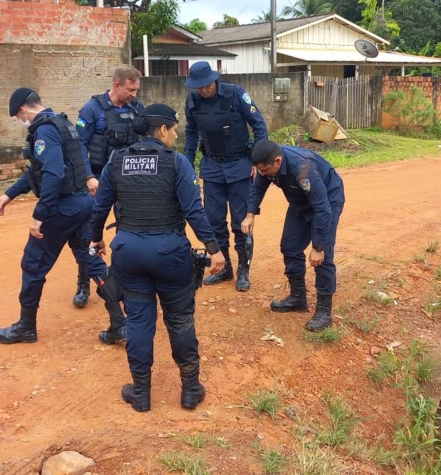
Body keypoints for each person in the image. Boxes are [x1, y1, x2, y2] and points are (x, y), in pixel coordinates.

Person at [90, 103, 225, 412]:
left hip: (128, 251)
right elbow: (193, 210)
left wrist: (97, 238)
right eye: (175, 130)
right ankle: (190, 390)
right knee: (179, 319)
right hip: (169, 253)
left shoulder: (116, 160)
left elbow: (100, 206)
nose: (176, 136)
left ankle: (140, 393)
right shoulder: (176, 163)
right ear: (162, 130)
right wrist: (213, 247)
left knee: (138, 321)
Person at [0, 87, 125, 345]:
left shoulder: (44, 131)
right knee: (91, 261)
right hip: (82, 205)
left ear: (22, 110)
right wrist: (10, 194)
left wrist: (39, 215)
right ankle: (120, 322)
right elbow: (37, 173)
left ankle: (26, 327)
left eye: (18, 117)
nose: (21, 122)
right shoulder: (64, 123)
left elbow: (53, 174)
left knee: (33, 264)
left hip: (61, 209)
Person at [241, 139, 345, 332]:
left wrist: (318, 246)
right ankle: (298, 297)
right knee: (290, 246)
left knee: (322, 258)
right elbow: (258, 187)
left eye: (265, 171)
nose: (262, 175)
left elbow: (322, 208)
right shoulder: (267, 164)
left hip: (327, 202)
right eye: (260, 171)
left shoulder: (303, 169)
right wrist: (250, 215)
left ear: (278, 161)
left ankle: (324, 311)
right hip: (300, 202)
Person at [183, 61, 267, 292]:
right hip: (212, 166)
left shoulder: (235, 93)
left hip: (240, 164)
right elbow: (191, 133)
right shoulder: (192, 102)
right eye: (198, 87)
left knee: (241, 222)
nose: (203, 90)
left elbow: (259, 125)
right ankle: (226, 267)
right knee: (214, 221)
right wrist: (187, 165)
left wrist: (256, 159)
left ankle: (243, 270)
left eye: (206, 85)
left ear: (214, 79)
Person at [68, 65, 145, 308]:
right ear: (117, 85)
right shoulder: (92, 109)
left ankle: (127, 279)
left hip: (128, 179)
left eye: (136, 89)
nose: (134, 93)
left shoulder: (137, 109)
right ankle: (84, 283)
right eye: (130, 89)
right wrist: (88, 177)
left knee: (128, 230)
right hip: (98, 179)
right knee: (89, 233)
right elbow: (78, 146)